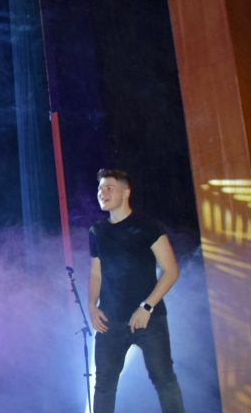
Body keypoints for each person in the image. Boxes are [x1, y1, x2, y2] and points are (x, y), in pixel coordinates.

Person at [89, 168, 184, 413]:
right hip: (110, 320)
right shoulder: (97, 231)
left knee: (164, 379)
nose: (102, 192)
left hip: (149, 319)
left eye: (109, 187)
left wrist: (146, 307)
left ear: (126, 192)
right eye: (100, 188)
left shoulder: (147, 226)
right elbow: (96, 273)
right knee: (104, 385)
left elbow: (171, 270)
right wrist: (92, 305)